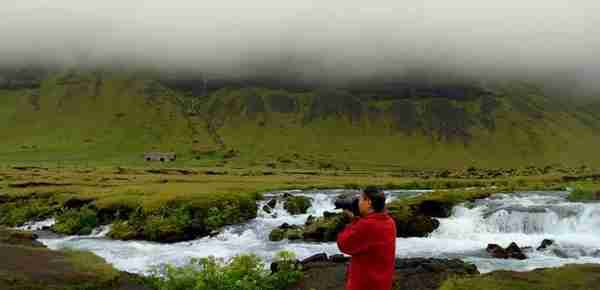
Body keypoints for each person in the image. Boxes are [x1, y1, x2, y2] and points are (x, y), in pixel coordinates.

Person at [336, 186, 397, 290]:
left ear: (368, 202)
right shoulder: (389, 222)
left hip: (365, 284)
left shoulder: (366, 225)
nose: (357, 203)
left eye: (360, 199)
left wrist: (354, 221)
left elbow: (343, 244)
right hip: (382, 283)